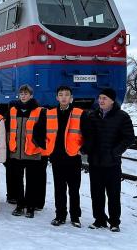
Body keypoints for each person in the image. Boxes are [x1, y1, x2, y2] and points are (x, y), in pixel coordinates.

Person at [38, 86, 89, 228]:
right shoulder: (49, 114)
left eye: (67, 95)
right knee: (59, 189)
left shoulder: (80, 114)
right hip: (57, 158)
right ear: (57, 98)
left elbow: (89, 135)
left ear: (71, 98)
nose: (64, 97)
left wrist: (83, 150)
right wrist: (46, 147)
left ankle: (75, 217)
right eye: (61, 95)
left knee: (74, 190)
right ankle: (60, 216)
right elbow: (37, 133)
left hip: (73, 158)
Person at [86, 88, 134, 232]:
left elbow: (129, 138)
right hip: (95, 162)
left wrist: (115, 153)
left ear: (112, 100)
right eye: (100, 98)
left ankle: (114, 222)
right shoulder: (92, 116)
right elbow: (87, 136)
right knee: (96, 193)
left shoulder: (122, 117)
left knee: (113, 194)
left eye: (104, 98)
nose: (101, 101)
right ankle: (99, 219)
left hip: (112, 163)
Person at [5, 84, 47, 218]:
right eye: (21, 93)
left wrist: (38, 144)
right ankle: (20, 205)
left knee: (32, 181)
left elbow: (43, 132)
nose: (23, 96)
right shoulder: (12, 110)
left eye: (26, 93)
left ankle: (30, 206)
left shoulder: (39, 111)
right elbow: (7, 130)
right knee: (17, 181)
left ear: (31, 95)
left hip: (32, 152)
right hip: (16, 151)